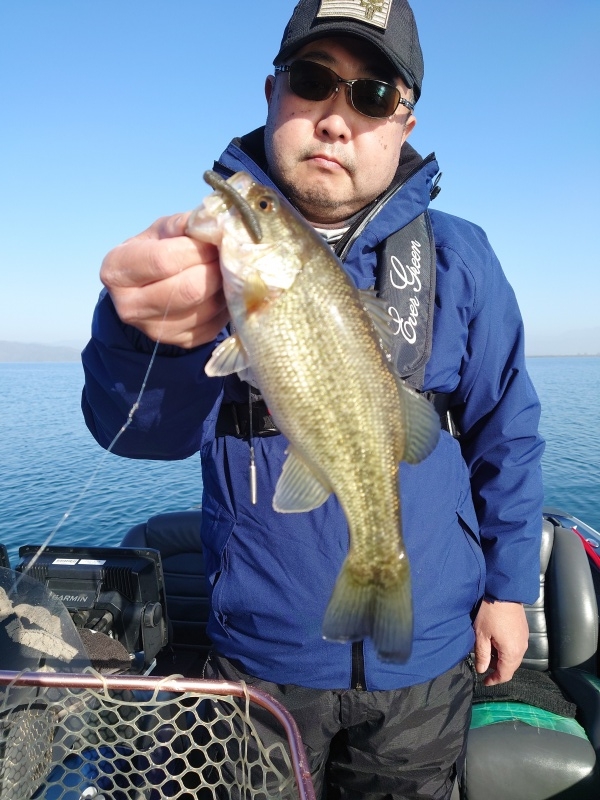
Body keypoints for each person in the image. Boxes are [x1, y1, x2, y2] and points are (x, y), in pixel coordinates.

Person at [81, 1, 545, 797]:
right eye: (311, 79)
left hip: (427, 657)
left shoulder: (462, 257)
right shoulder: (201, 260)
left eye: (371, 95)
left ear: (403, 123)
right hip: (259, 657)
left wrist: (508, 590)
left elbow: (509, 431)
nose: (335, 118)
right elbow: (137, 435)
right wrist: (142, 338)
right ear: (272, 93)